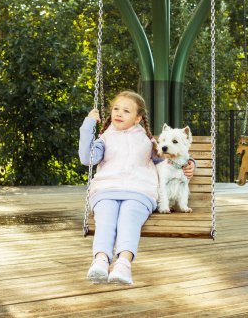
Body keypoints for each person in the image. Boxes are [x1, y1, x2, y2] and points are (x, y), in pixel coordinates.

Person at [79, 90, 195, 285]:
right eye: (116, 109)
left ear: (137, 118)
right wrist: (88, 124)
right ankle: (100, 260)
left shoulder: (147, 141)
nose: (119, 113)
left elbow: (173, 158)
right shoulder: (104, 139)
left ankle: (123, 264)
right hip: (106, 190)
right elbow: (86, 158)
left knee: (129, 219)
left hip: (139, 192)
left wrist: (190, 163)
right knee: (106, 218)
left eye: (126, 111)